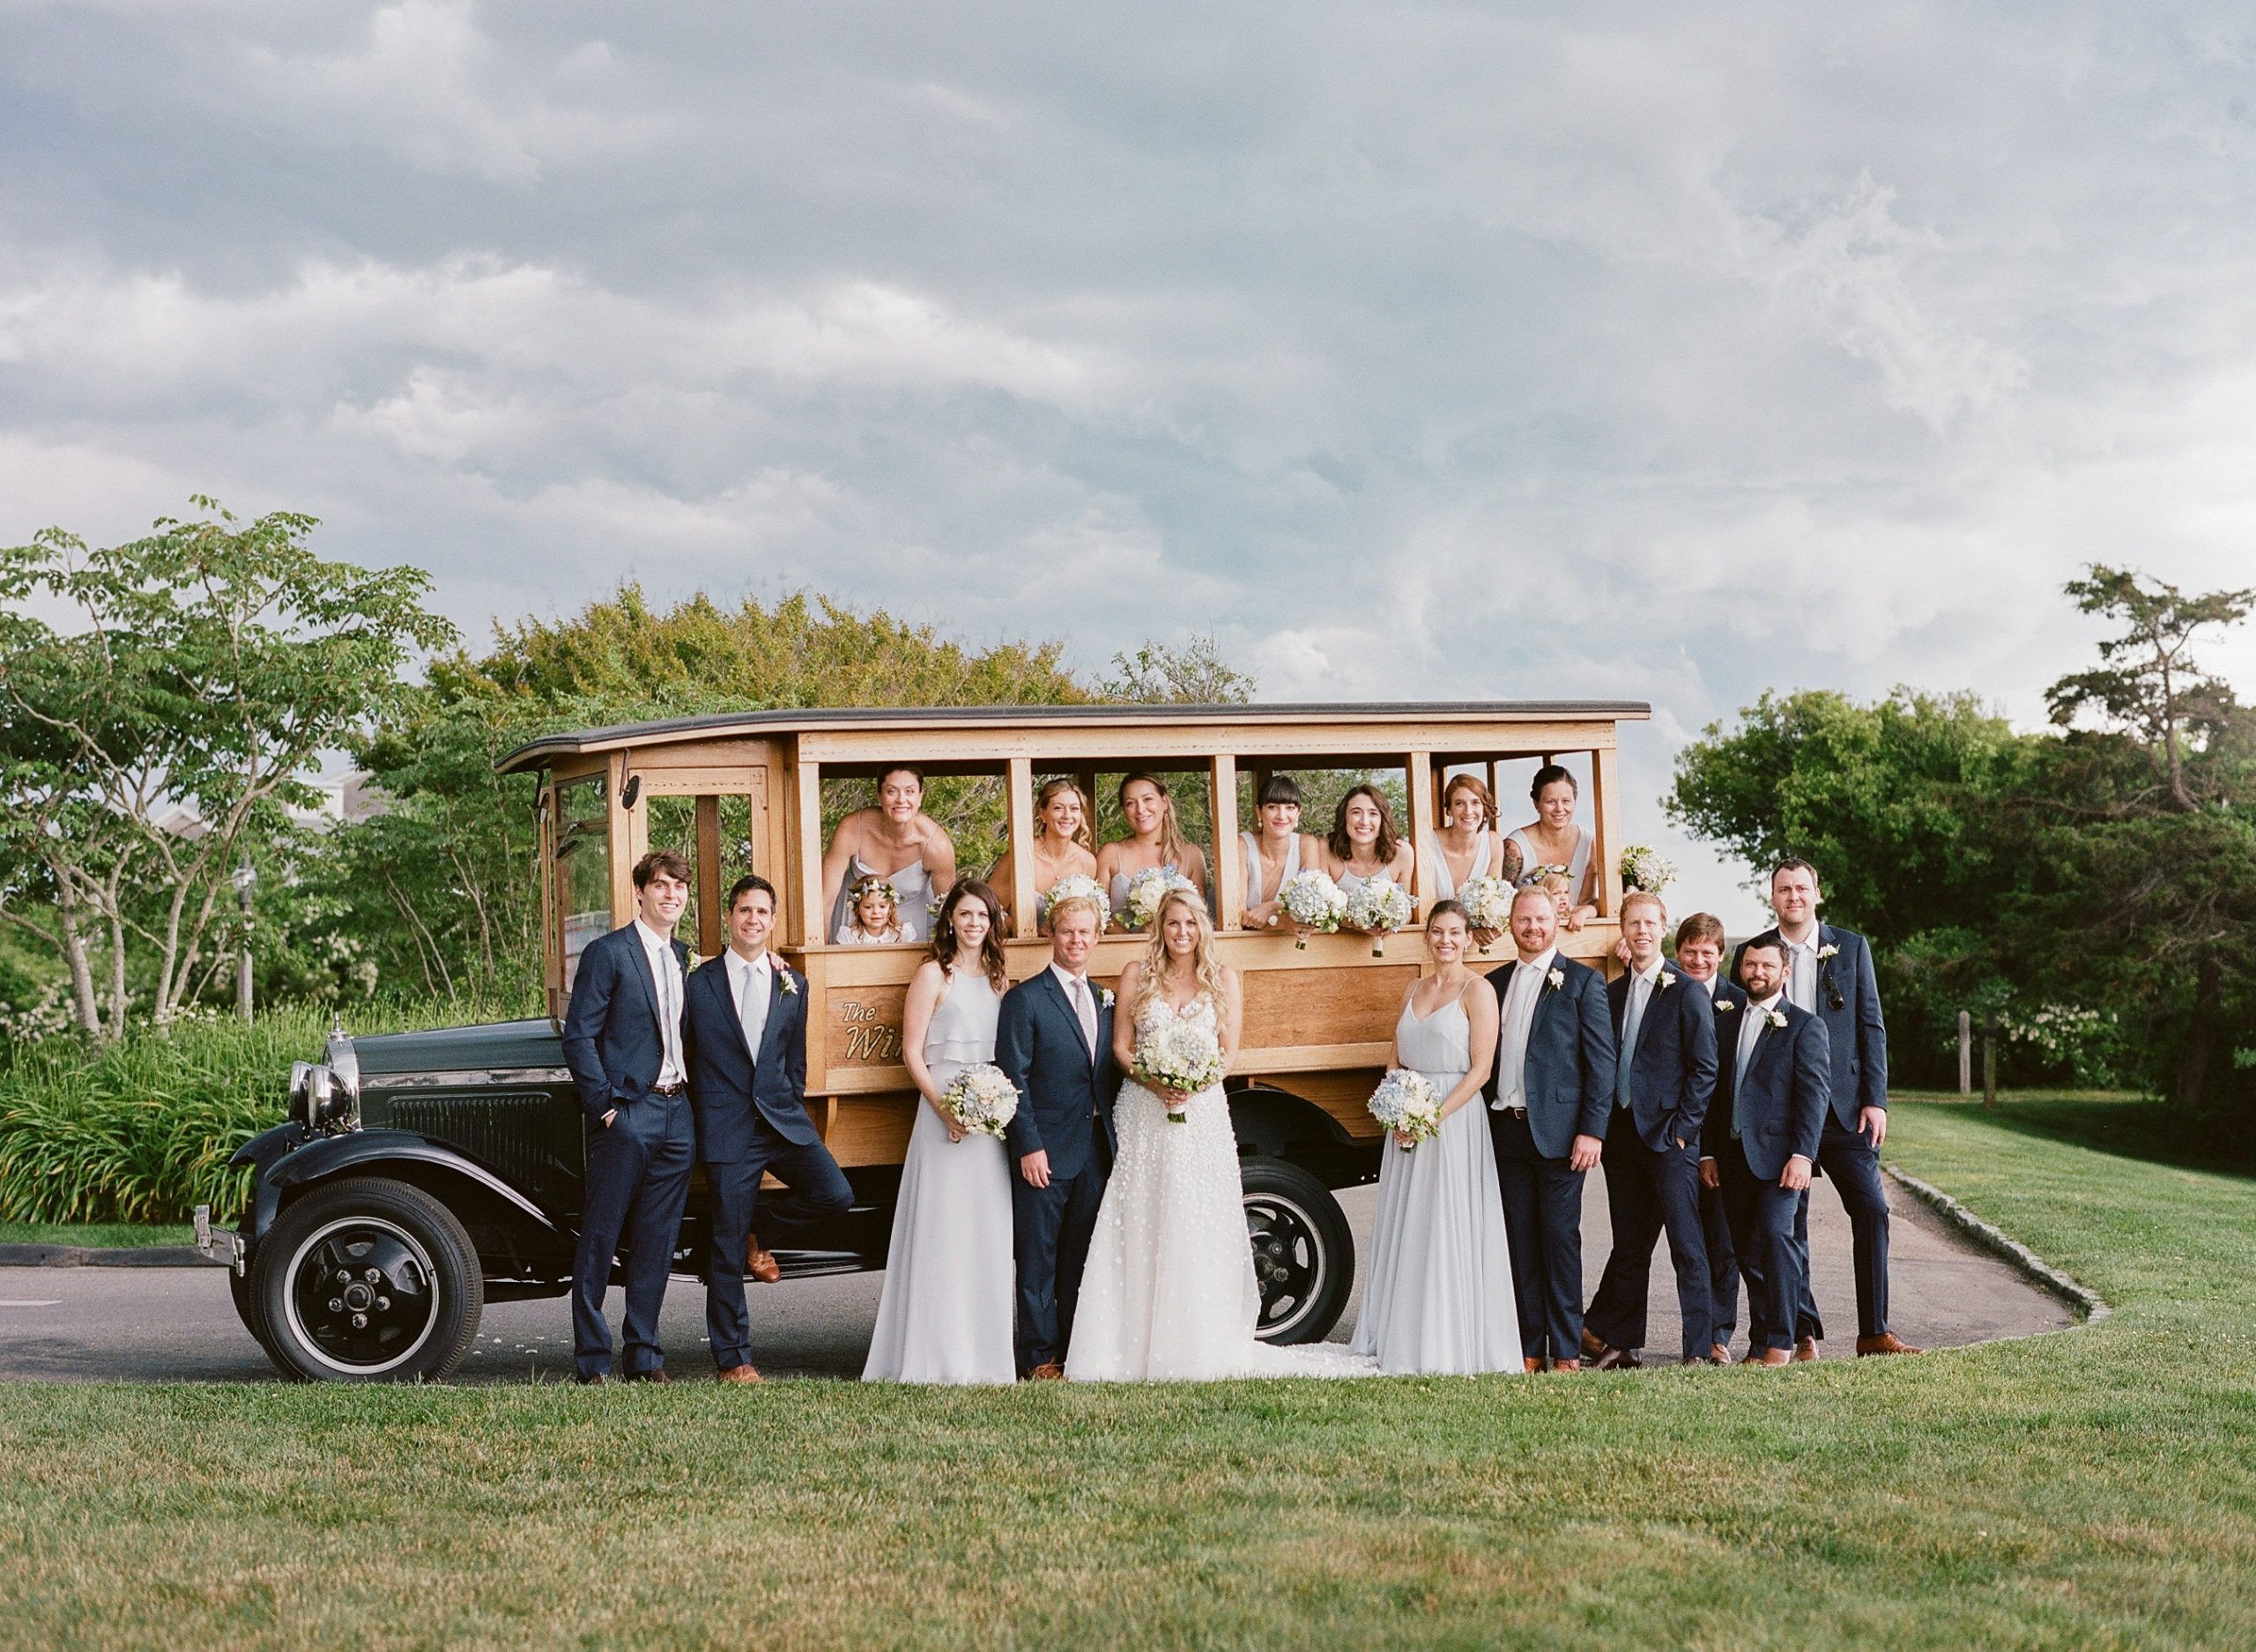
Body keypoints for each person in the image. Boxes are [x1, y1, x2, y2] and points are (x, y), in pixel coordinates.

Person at [1065, 887, 1373, 1381]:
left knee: (1197, 1216)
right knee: (1142, 1214)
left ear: (1202, 926)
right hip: (1146, 1110)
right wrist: (1156, 1080)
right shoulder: (1135, 975)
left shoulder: (1223, 977)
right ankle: (1130, 1342)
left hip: (1202, 1109)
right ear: (1160, 927)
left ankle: (1198, 1340)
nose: (1182, 933)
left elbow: (1229, 1052)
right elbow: (1121, 1048)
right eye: (1172, 924)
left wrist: (1191, 1083)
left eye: (1190, 924)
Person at [1733, 859, 1919, 1358]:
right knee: (1787, 1224)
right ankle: (1802, 1329)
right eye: (1783, 889)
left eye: (1801, 888)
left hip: (1843, 1108)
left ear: (1817, 893)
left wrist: (1875, 1099)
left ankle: (1874, 1331)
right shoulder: (1755, 953)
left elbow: (1871, 1024)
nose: (1793, 896)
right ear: (1772, 897)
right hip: (1778, 1114)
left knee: (1872, 1208)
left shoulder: (1851, 947)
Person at [683, 873, 853, 1383]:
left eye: (762, 912)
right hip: (726, 1126)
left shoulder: (792, 983)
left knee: (835, 1193)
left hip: (781, 1121)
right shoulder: (699, 982)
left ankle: (765, 1232)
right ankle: (734, 1359)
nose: (752, 920)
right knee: (726, 1243)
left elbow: (793, 1058)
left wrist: (789, 1102)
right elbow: (689, 1054)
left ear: (773, 921)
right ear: (730, 918)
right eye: (743, 911)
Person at [1348, 900, 1522, 1375]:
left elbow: (1483, 1069)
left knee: (1446, 1220)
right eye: (1437, 932)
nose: (1445, 940)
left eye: (1455, 932)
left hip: (1453, 1121)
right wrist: (1397, 1107)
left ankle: (1446, 1335)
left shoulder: (1478, 990)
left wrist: (1430, 1118)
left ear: (1468, 938)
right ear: (1426, 936)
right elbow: (1394, 1056)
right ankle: (1399, 1330)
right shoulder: (1412, 986)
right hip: (1407, 1117)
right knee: (1410, 1221)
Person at [863, 879, 1015, 1384]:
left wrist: (992, 1105)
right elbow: (911, 1051)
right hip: (942, 1111)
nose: (974, 924)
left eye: (983, 916)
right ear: (950, 919)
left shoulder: (998, 978)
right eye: (965, 914)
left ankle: (983, 1358)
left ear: (992, 924)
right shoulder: (933, 974)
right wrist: (945, 1108)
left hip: (989, 1118)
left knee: (984, 1232)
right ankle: (931, 1356)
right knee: (941, 1229)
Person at [558, 850, 698, 1384]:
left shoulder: (683, 955)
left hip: (677, 1114)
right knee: (601, 1235)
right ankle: (592, 1361)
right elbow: (579, 1036)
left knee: (658, 1240)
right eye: (661, 886)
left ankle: (644, 1356)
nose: (672, 895)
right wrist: (607, 1108)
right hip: (629, 1114)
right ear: (640, 892)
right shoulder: (609, 952)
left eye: (679, 887)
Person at [1579, 892, 1718, 1368]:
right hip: (1621, 1140)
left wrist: (1683, 1130)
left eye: (1649, 923)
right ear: (1623, 930)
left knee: (1686, 1245)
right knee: (1631, 1245)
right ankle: (1623, 1344)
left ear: (1663, 928)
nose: (1641, 931)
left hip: (1668, 1139)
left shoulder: (1686, 990)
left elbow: (1704, 1068)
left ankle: (1698, 1349)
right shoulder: (1610, 992)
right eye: (1632, 923)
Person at [1483, 885, 1614, 1371]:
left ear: (1556, 921)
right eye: (1523, 920)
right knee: (1519, 1241)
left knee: (1560, 1241)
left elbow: (1601, 1063)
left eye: (1540, 919)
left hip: (1563, 1134)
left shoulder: (1582, 982)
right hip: (1507, 1131)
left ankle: (1564, 1350)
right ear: (1511, 924)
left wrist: (1593, 1131)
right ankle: (1529, 1348)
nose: (1532, 928)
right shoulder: (1493, 983)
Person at [996, 889, 1119, 1379]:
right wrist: (1027, 1145)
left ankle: (1073, 1349)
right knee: (1037, 1258)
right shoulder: (1025, 999)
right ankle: (1037, 1356)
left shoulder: (1104, 998)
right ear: (1051, 934)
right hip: (1043, 1149)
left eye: (1085, 932)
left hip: (1094, 1147)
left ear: (1096, 937)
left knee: (1081, 1255)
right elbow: (1013, 1076)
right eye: (1067, 931)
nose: (1076, 940)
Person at [1701, 937, 1830, 1365]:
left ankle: (1783, 1339)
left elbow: (1814, 1098)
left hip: (1782, 1160)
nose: (1757, 972)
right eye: (1751, 965)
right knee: (1747, 1251)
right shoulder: (1725, 1021)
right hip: (1733, 1156)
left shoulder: (1805, 1026)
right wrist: (1708, 1153)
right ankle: (1759, 1344)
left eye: (1767, 966)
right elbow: (1714, 1094)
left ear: (1784, 972)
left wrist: (1804, 1156)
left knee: (1777, 1238)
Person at [1673, 912, 1748, 1364]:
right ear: (1677, 952)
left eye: (1707, 952)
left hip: (1721, 1141)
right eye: (1690, 951)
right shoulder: (1666, 991)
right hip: (1673, 1138)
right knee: (1658, 1240)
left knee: (1721, 1242)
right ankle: (1605, 1327)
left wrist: (1712, 1150)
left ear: (1721, 957)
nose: (1697, 959)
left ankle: (1717, 1335)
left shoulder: (1737, 1004)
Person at [820, 766, 957, 946]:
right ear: (879, 795)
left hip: (911, 925)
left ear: (920, 796)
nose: (901, 800)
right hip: (854, 920)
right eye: (891, 791)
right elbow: (825, 897)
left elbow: (948, 911)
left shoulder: (937, 845)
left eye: (910, 791)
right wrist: (820, 952)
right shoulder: (852, 828)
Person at [1095, 772, 1208, 927]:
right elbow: (1097, 914)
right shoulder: (1110, 854)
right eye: (1130, 803)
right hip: (1122, 947)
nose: (1140, 809)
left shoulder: (1191, 855)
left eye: (1147, 799)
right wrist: (1134, 939)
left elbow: (1199, 916)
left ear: (1164, 802)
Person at [986, 776, 1099, 931]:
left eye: (1074, 808)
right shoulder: (1020, 857)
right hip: (1024, 950)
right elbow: (988, 912)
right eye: (1058, 808)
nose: (1067, 815)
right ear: (1042, 814)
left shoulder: (1087, 862)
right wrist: (1031, 929)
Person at [1503, 764, 1598, 930]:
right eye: (1551, 802)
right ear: (1536, 803)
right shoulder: (1515, 847)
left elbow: (1589, 903)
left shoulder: (1589, 843)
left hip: (1576, 935)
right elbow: (1502, 903)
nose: (1559, 809)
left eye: (1566, 801)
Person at [1322, 783, 1416, 932]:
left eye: (1373, 813)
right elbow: (1322, 910)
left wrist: (1387, 921)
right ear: (1344, 817)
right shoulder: (1326, 851)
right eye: (1356, 812)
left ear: (1382, 819)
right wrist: (1358, 923)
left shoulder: (1402, 853)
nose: (1364, 821)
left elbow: (1407, 912)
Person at [1238, 774, 1325, 931]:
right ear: (1259, 812)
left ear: (1298, 813)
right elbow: (1237, 917)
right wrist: (1285, 920)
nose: (1282, 816)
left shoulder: (1307, 845)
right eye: (1272, 807)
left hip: (1290, 946)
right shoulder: (1242, 845)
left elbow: (1311, 913)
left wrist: (1272, 908)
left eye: (1290, 808)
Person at [1421, 774, 1507, 901]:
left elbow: (1493, 900)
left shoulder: (1493, 844)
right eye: (1459, 803)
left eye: (1475, 803)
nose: (1468, 811)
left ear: (1484, 807)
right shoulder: (1427, 842)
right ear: (1449, 810)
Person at [834, 876, 907, 945]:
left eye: (882, 906)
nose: (876, 911)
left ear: (890, 908)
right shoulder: (849, 936)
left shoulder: (901, 935)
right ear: (858, 909)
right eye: (868, 907)